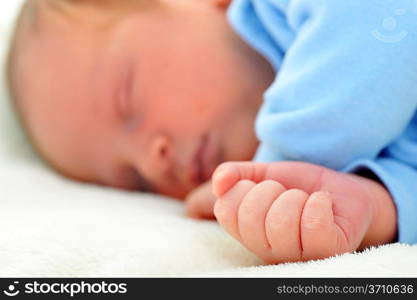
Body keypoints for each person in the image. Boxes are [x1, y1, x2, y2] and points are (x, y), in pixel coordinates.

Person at [7, 0, 416, 264]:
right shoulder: (346, 161)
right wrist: (372, 208)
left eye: (128, 101)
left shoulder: (280, 9)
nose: (153, 161)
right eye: (136, 183)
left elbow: (390, 22)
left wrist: (279, 162)